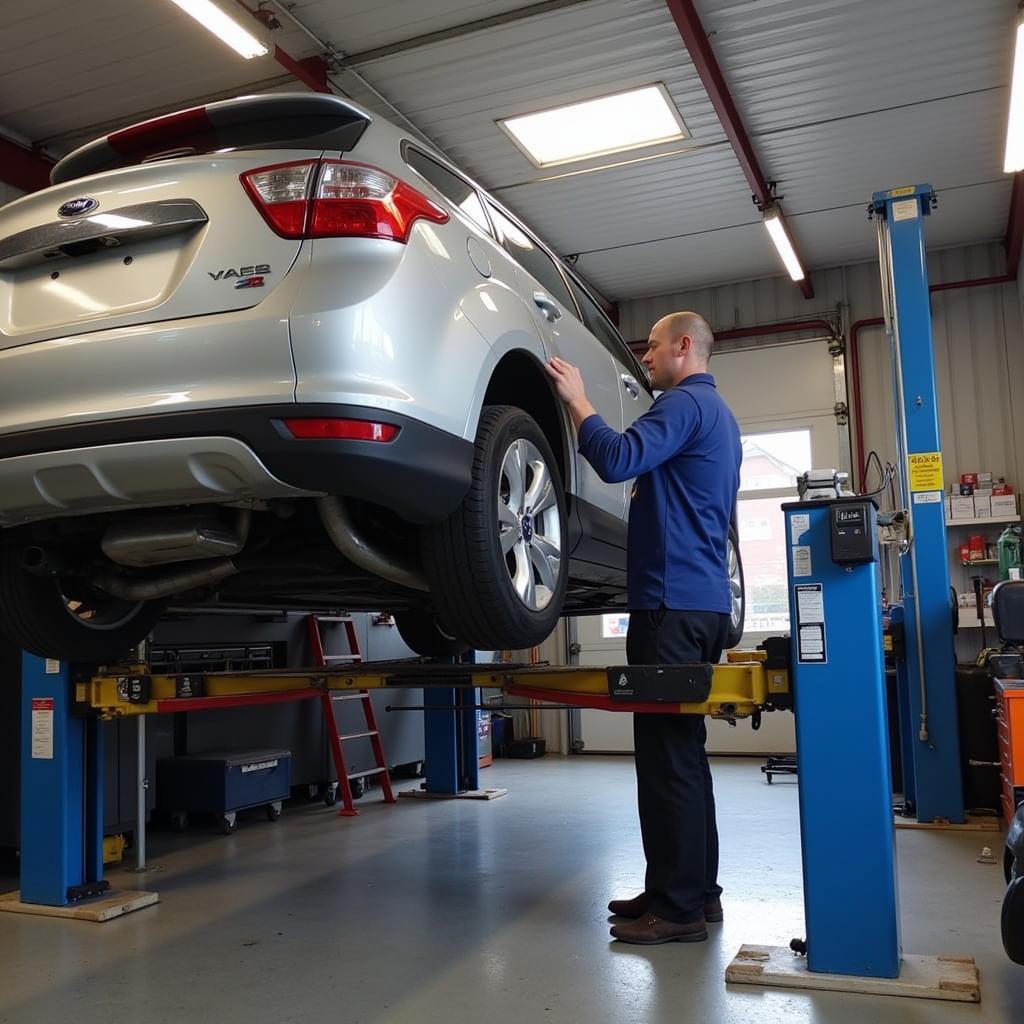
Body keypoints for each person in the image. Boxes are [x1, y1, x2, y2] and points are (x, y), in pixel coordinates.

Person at [545, 311, 741, 945]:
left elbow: (618, 459)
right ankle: (689, 893)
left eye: (653, 346)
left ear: (685, 347)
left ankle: (678, 911)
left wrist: (578, 403)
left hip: (670, 604)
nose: (645, 356)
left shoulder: (684, 405)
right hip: (699, 603)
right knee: (682, 755)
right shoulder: (720, 417)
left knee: (665, 761)